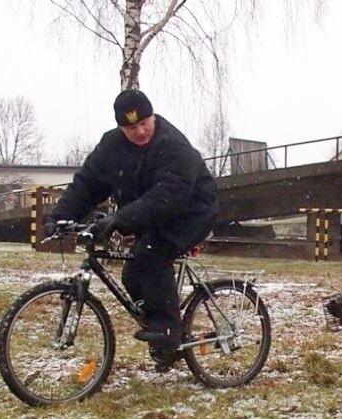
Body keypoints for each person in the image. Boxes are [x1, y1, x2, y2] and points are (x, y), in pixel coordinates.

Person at [45, 89, 219, 371]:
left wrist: (120, 219)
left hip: (191, 212)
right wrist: (61, 216)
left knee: (150, 254)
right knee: (132, 273)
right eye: (130, 127)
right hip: (150, 213)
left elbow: (168, 195)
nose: (139, 131)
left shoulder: (173, 144)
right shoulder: (111, 146)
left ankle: (167, 330)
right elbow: (87, 184)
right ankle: (164, 341)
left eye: (144, 123)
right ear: (120, 127)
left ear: (152, 116)